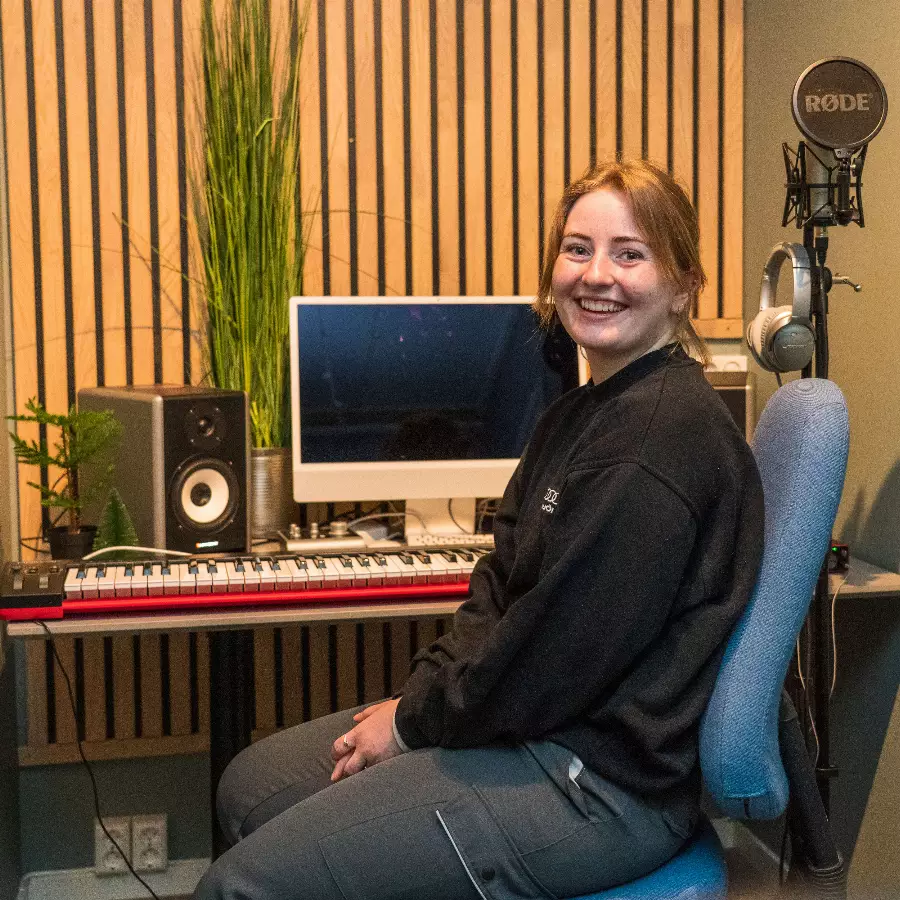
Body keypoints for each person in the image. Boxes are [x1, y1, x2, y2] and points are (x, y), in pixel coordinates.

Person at [194, 159, 764, 900]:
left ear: (684, 284)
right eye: (577, 248)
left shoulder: (657, 441)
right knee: (250, 787)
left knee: (239, 885)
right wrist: (420, 699)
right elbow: (498, 587)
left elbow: (550, 657)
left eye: (630, 254)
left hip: (600, 783)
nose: (596, 274)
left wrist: (410, 727)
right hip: (533, 728)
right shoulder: (577, 414)